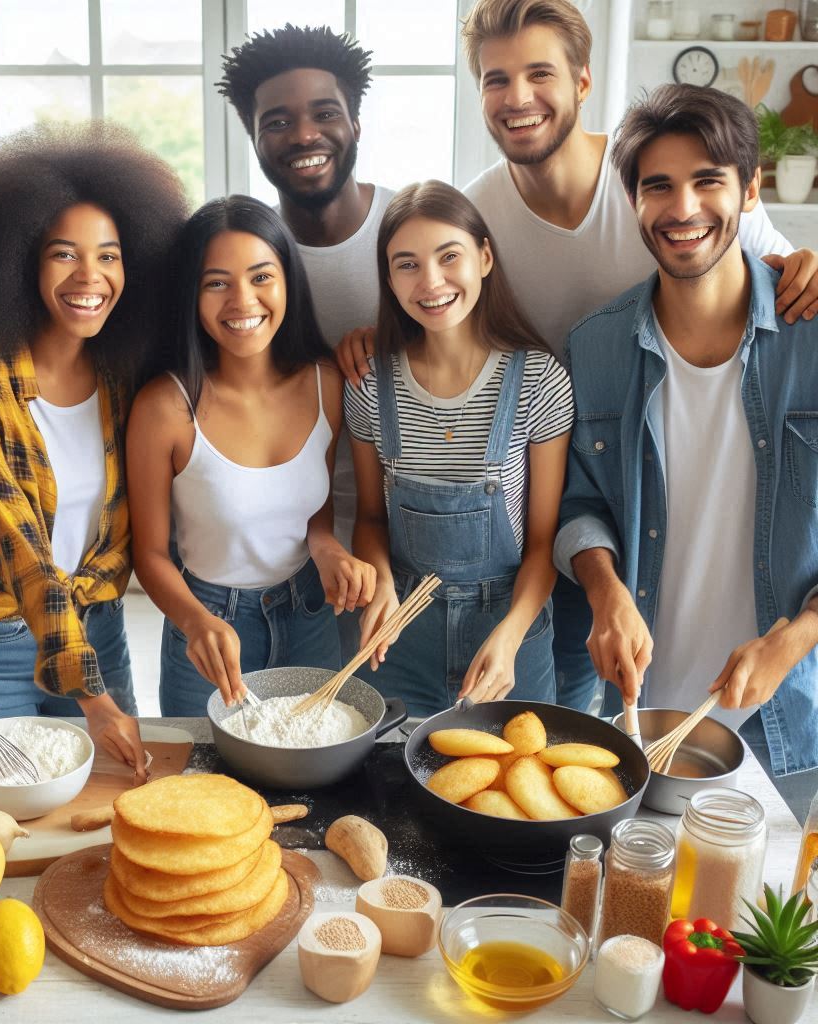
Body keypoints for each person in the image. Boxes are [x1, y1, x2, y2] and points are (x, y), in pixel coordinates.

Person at [339, 0, 818, 713]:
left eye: (539, 73)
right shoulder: (480, 215)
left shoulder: (666, 194)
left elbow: (774, 269)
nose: (518, 98)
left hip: (643, 530)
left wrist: (807, 268)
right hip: (575, 524)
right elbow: (437, 287)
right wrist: (380, 334)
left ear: (584, 81)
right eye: (496, 79)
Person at [554, 84, 818, 823]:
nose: (683, 209)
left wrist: (794, 639)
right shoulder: (596, 346)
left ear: (750, 188)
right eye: (658, 186)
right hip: (638, 721)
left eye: (708, 181)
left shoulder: (813, 335)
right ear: (632, 201)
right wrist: (605, 593)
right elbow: (579, 506)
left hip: (790, 729)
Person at [0, 123, 186, 772]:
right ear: (19, 261)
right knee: (1, 821)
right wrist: (93, 696)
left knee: (114, 808)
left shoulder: (123, 378)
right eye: (63, 254)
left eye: (109, 255)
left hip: (99, 627)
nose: (91, 276)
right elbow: (22, 548)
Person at [128, 195, 375, 716]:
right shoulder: (165, 407)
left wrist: (328, 549)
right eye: (217, 283)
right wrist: (195, 623)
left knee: (312, 780)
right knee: (204, 791)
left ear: (288, 282)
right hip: (208, 624)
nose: (242, 300)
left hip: (310, 614)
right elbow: (148, 554)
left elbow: (316, 515)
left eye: (261, 276)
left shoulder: (326, 382)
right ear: (191, 296)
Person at [345, 181, 573, 717]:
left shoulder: (540, 380)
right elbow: (370, 521)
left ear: (484, 257)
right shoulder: (369, 385)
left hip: (510, 633)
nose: (431, 281)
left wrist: (511, 636)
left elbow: (543, 545)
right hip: (398, 639)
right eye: (406, 264)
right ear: (389, 279)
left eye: (450, 256)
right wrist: (380, 585)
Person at [218, 23, 394, 553]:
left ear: (356, 124)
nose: (302, 135)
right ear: (253, 137)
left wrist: (396, 339)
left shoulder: (413, 232)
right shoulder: (246, 259)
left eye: (324, 113)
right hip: (285, 544)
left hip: (407, 534)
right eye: (277, 121)